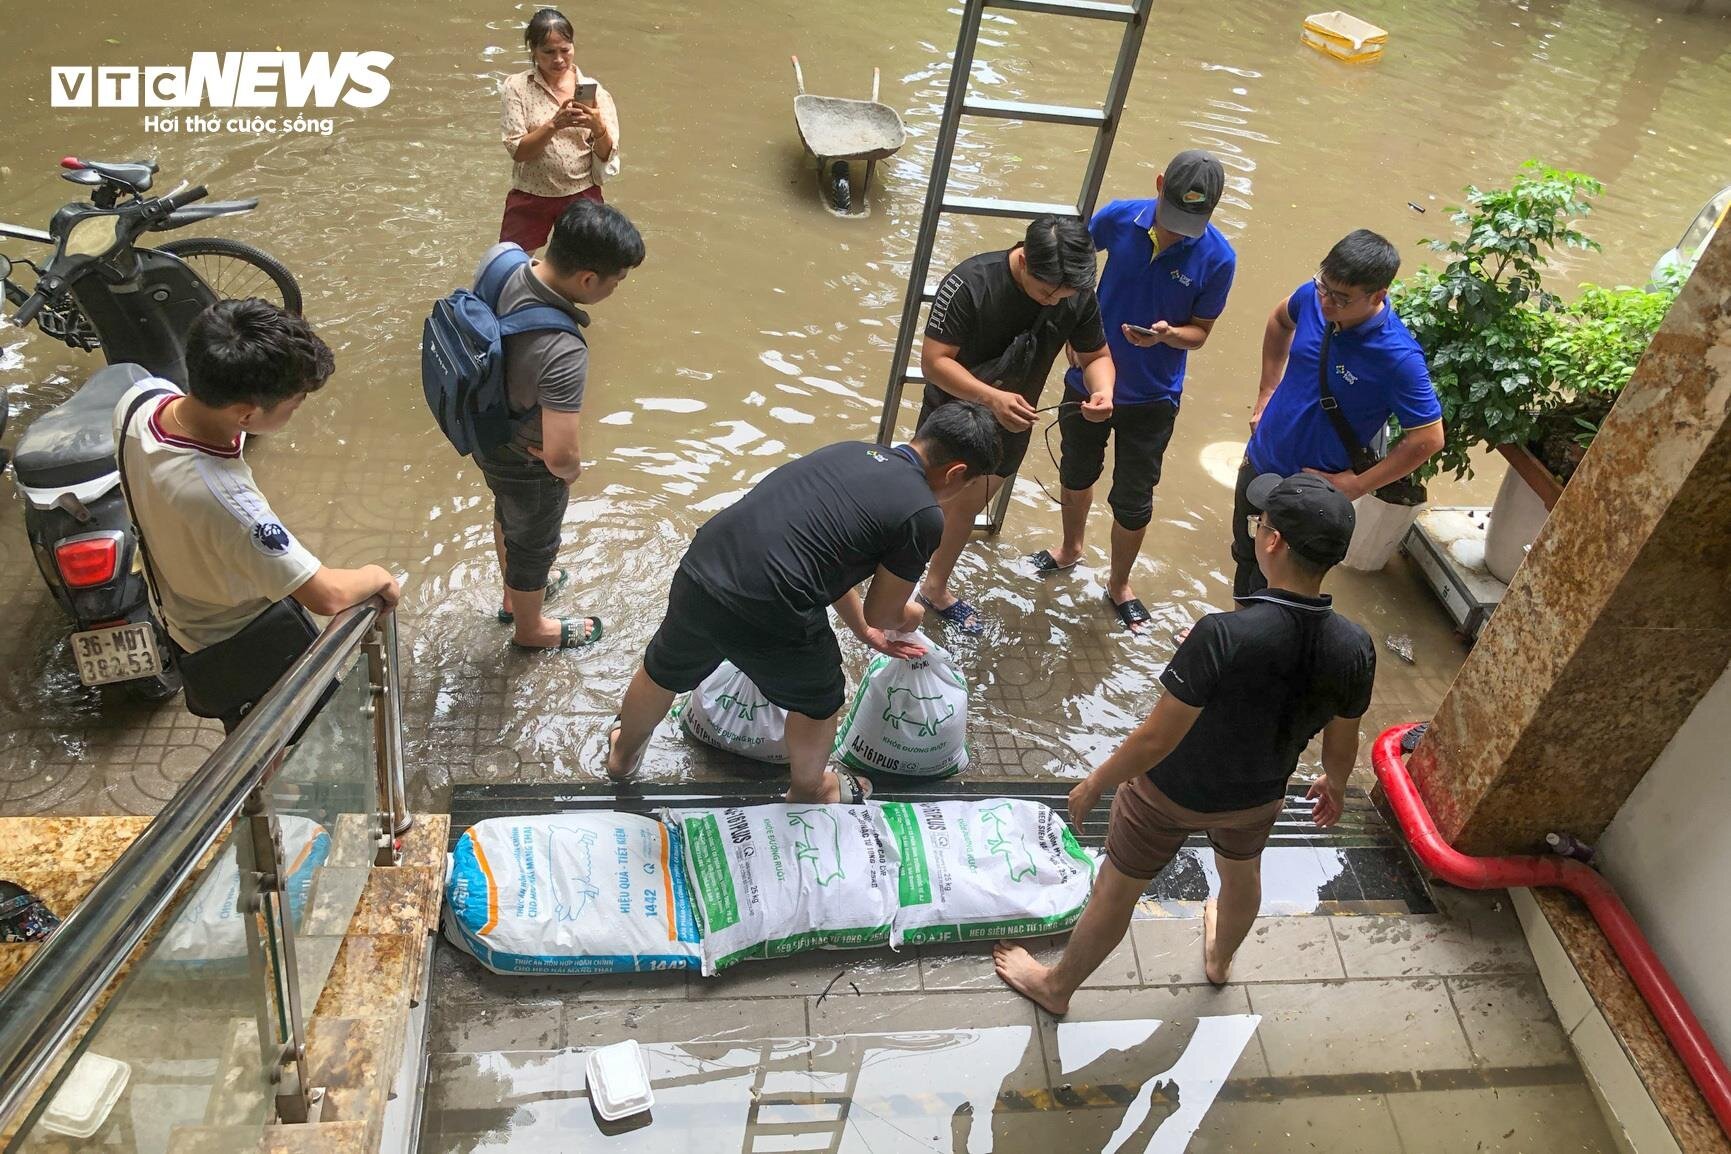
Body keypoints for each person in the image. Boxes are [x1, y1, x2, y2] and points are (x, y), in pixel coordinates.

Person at [994, 473, 1375, 1014]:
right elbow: (1343, 737)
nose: (1258, 528)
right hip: (1258, 798)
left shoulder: (1222, 634)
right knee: (1241, 875)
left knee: (1117, 889)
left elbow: (1155, 739)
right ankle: (1219, 959)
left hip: (1167, 797)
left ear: (1273, 542)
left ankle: (1056, 989)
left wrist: (1095, 782)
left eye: (1260, 522)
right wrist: (1334, 783)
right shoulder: (1355, 645)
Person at [604, 403, 1003, 803]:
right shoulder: (923, 514)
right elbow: (883, 612)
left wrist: (863, 632)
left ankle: (621, 757)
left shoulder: (850, 451)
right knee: (821, 697)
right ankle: (810, 788)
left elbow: (820, 558)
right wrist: (912, 614)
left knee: (663, 671)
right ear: (955, 473)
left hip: (704, 565)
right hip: (769, 603)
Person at [114, 299, 401, 730]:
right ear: (246, 414)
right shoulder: (225, 499)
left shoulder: (140, 401)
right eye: (295, 403)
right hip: (239, 640)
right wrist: (377, 576)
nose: (297, 410)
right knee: (290, 739)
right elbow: (326, 595)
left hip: (177, 610)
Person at [1030, 150, 1237, 633]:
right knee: (1078, 471)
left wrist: (1168, 334)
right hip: (1087, 379)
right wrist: (1071, 338)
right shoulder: (1120, 217)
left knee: (1134, 495)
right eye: (1172, 216)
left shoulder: (1219, 258)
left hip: (1153, 396)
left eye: (1191, 223)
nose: (1176, 231)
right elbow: (1071, 273)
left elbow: (1201, 332)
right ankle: (1070, 548)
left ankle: (1119, 583)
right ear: (1159, 184)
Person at [914, 216, 1114, 634]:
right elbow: (934, 362)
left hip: (1012, 422)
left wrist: (1102, 392)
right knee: (924, 505)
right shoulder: (970, 283)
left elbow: (1095, 356)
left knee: (967, 508)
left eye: (1065, 295)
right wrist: (990, 396)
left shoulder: (1074, 294)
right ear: (1023, 261)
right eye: (1046, 292)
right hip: (952, 418)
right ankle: (891, 584)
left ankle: (935, 587)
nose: (1053, 302)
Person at [1234, 229, 1444, 596]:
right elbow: (1280, 320)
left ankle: (1258, 648)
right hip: (1262, 459)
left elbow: (1428, 438)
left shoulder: (1398, 359)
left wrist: (1359, 485)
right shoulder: (1311, 298)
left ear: (1378, 295)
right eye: (1324, 286)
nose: (1327, 302)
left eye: (1342, 298)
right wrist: (1266, 392)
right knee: (1245, 553)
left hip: (1312, 493)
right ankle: (1235, 637)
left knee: (1283, 587)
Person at [476, 198, 644, 650]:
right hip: (525, 460)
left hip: (483, 430)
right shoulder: (563, 350)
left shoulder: (503, 259)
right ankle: (532, 628)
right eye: (616, 281)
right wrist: (571, 471)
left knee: (506, 513)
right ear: (588, 279)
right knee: (533, 542)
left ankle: (516, 596)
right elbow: (560, 455)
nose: (616, 289)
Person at [498, 7, 622, 252]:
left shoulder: (592, 89)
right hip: (531, 192)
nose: (559, 59)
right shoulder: (517, 87)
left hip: (581, 193)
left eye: (565, 50)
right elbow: (518, 151)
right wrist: (555, 124)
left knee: (585, 264)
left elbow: (608, 154)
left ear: (573, 47)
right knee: (510, 261)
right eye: (548, 52)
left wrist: (597, 128)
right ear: (533, 50)